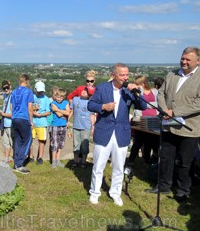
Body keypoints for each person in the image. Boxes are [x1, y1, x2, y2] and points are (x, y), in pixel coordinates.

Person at [146, 46, 200, 202]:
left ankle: (183, 190)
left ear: (198, 61)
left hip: (189, 128)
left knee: (185, 161)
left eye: (187, 59)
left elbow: (198, 104)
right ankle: (163, 185)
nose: (183, 61)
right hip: (168, 124)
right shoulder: (171, 74)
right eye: (182, 58)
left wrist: (174, 112)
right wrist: (164, 110)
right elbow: (161, 93)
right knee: (166, 157)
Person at [87, 63, 146, 206]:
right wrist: (103, 107)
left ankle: (115, 193)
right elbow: (90, 105)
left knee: (119, 167)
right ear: (113, 75)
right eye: (122, 75)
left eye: (127, 75)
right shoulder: (102, 88)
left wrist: (137, 92)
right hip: (104, 132)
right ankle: (94, 193)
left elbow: (142, 106)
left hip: (121, 133)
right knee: (99, 165)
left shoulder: (129, 91)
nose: (125, 78)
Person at [128, 75, 159, 166]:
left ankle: (147, 160)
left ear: (143, 83)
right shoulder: (137, 93)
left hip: (154, 119)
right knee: (138, 141)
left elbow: (158, 103)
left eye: (137, 84)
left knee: (150, 141)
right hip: (140, 118)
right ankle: (131, 160)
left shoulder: (155, 91)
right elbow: (138, 104)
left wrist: (146, 104)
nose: (136, 86)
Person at [11, 74, 34, 174]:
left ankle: (16, 163)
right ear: (27, 81)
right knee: (27, 140)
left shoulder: (14, 92)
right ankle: (20, 164)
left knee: (18, 141)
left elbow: (11, 107)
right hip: (24, 118)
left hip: (14, 118)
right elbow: (30, 108)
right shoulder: (28, 92)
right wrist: (31, 121)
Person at [68, 86, 95, 168]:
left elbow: (92, 116)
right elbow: (71, 111)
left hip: (86, 127)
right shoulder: (75, 99)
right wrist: (68, 120)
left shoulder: (91, 102)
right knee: (76, 144)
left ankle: (83, 161)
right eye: (84, 90)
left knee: (84, 145)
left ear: (90, 95)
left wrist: (93, 127)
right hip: (76, 126)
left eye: (87, 92)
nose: (84, 92)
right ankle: (75, 161)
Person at [31, 81, 51, 165]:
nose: (40, 93)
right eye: (38, 91)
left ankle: (40, 157)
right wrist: (34, 110)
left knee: (42, 141)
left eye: (41, 91)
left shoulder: (46, 99)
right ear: (35, 89)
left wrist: (40, 115)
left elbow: (48, 112)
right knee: (30, 140)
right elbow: (28, 108)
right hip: (32, 122)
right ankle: (30, 156)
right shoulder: (32, 97)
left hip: (42, 123)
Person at [50, 88, 70, 168]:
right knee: (54, 144)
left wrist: (58, 110)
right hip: (55, 125)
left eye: (61, 97)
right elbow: (59, 115)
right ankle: (54, 162)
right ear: (55, 96)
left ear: (64, 97)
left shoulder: (66, 102)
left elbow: (68, 112)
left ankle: (58, 160)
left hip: (63, 125)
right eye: (58, 97)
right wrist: (63, 112)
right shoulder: (53, 103)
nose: (59, 99)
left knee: (61, 144)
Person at [0, 80, 13, 164]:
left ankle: (16, 159)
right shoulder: (5, 96)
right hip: (4, 123)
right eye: (4, 88)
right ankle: (6, 158)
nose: (6, 90)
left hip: (11, 124)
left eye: (7, 88)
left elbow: (14, 113)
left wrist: (4, 114)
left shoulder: (13, 96)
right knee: (5, 142)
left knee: (13, 142)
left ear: (10, 86)